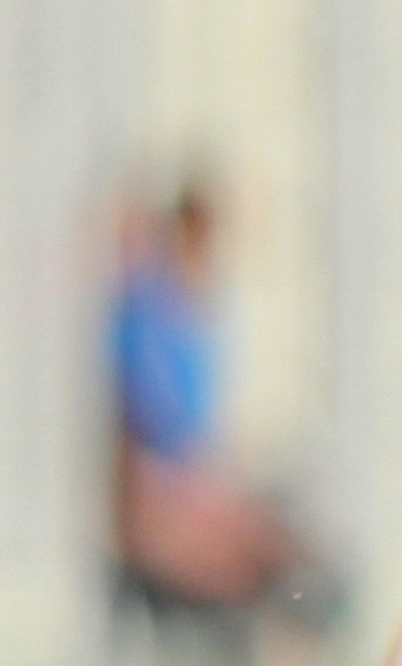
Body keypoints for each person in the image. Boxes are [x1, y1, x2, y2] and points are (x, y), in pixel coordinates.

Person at [109, 176, 327, 619]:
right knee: (249, 561)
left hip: (192, 477)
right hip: (168, 482)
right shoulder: (148, 313)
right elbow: (156, 423)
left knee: (285, 548)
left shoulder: (197, 317)